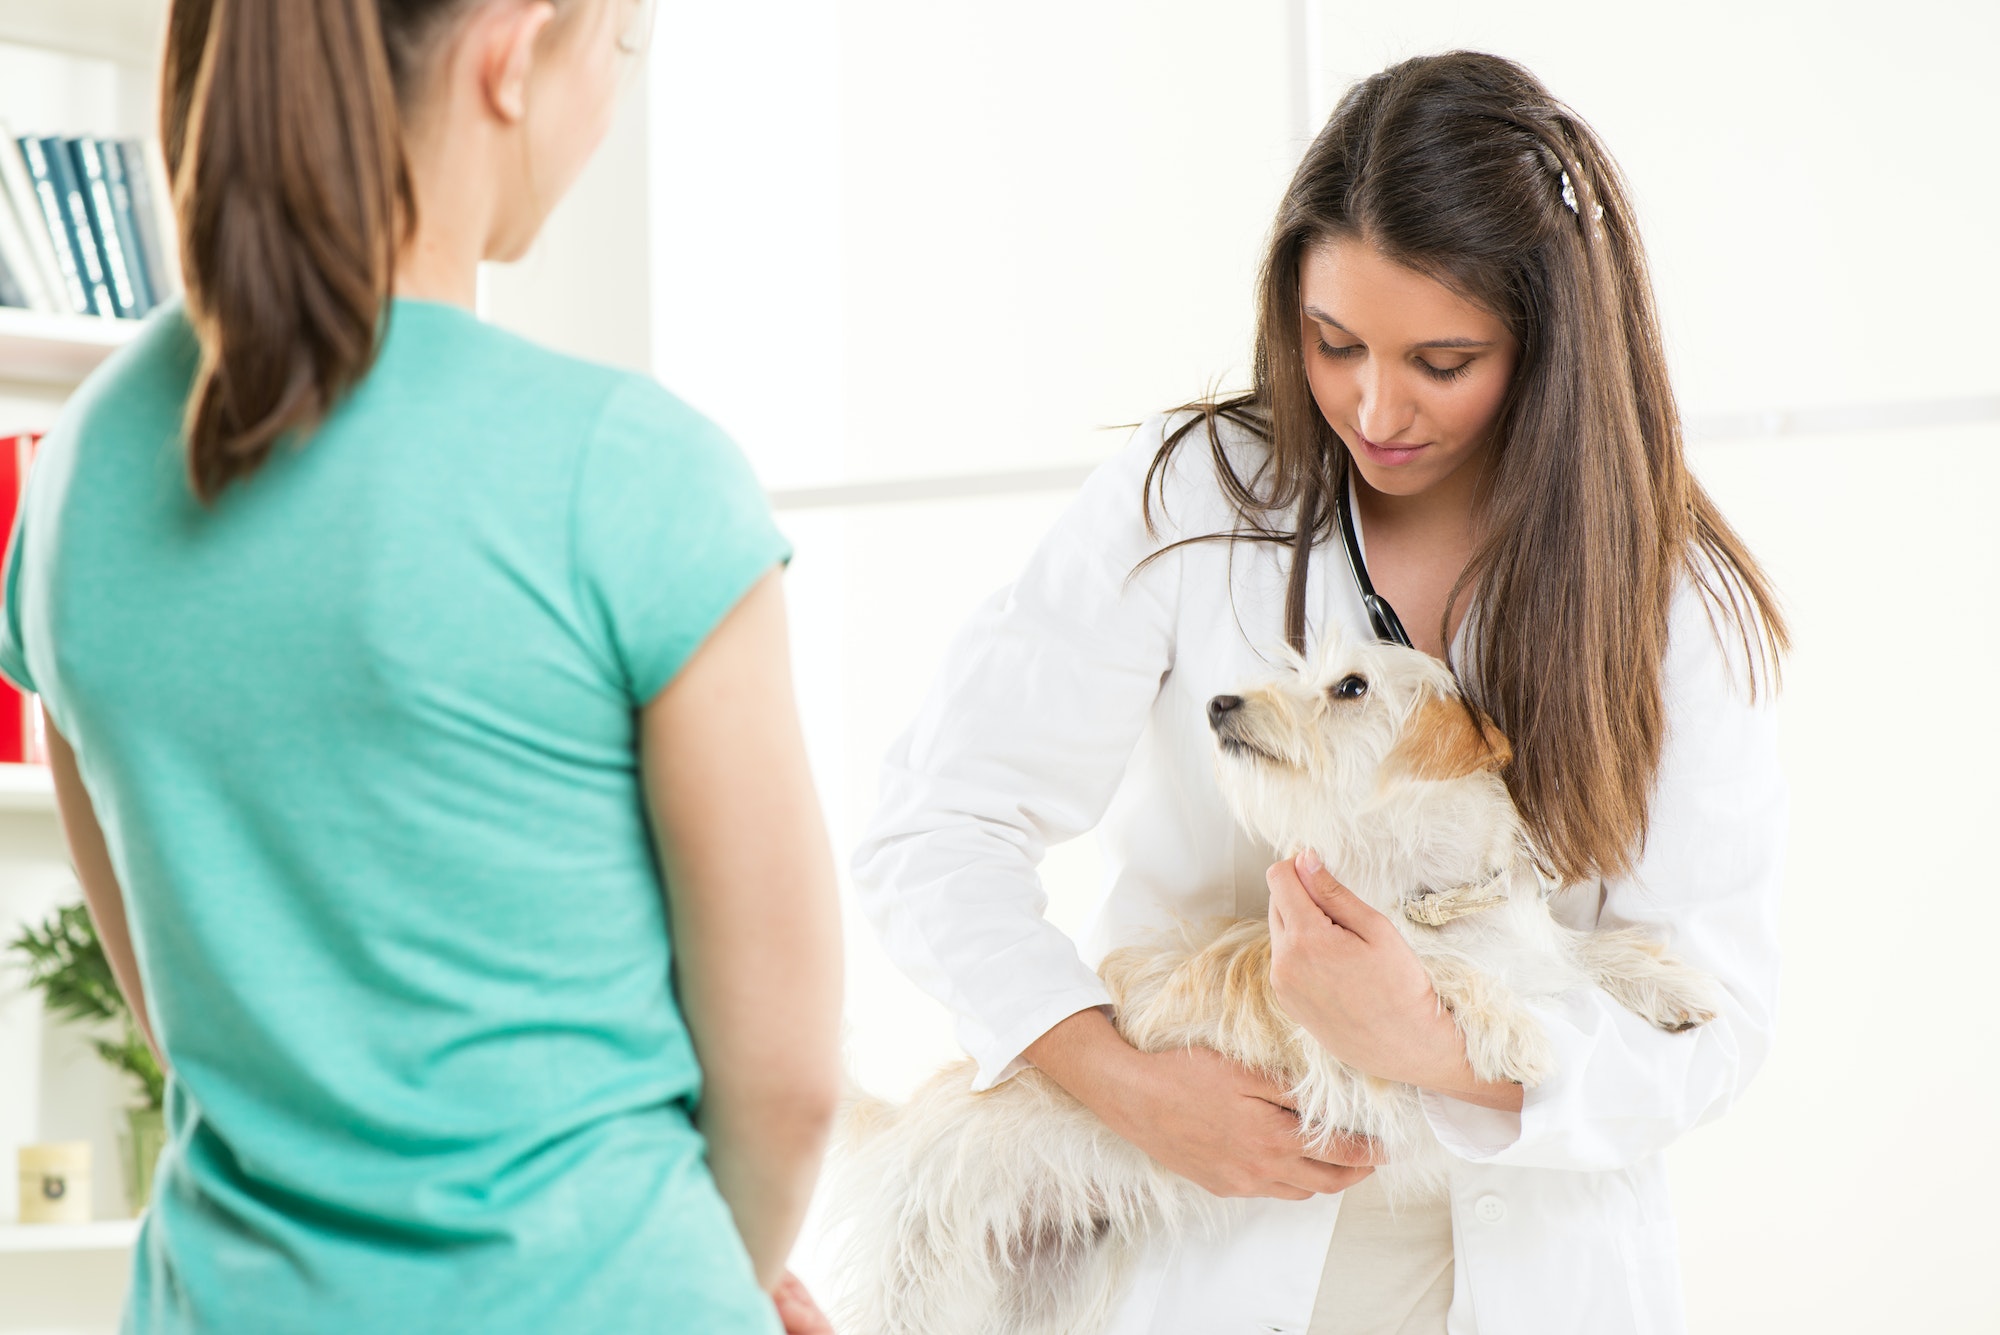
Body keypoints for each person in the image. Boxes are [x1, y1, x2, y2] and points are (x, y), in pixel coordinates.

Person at [853, 50, 1787, 1335]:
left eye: (1441, 361)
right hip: (1209, 1233)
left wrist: (1430, 1044)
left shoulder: (1667, 595)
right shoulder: (1193, 500)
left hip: (1528, 1263)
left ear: (1549, 347)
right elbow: (936, 825)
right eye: (1331, 341)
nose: (1370, 405)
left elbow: (1709, 1024)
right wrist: (1119, 1081)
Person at [0, 1, 843, 1331]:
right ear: (512, 50)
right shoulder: (630, 473)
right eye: (613, 50)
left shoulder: (81, 472)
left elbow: (192, 1009)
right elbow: (787, 1084)